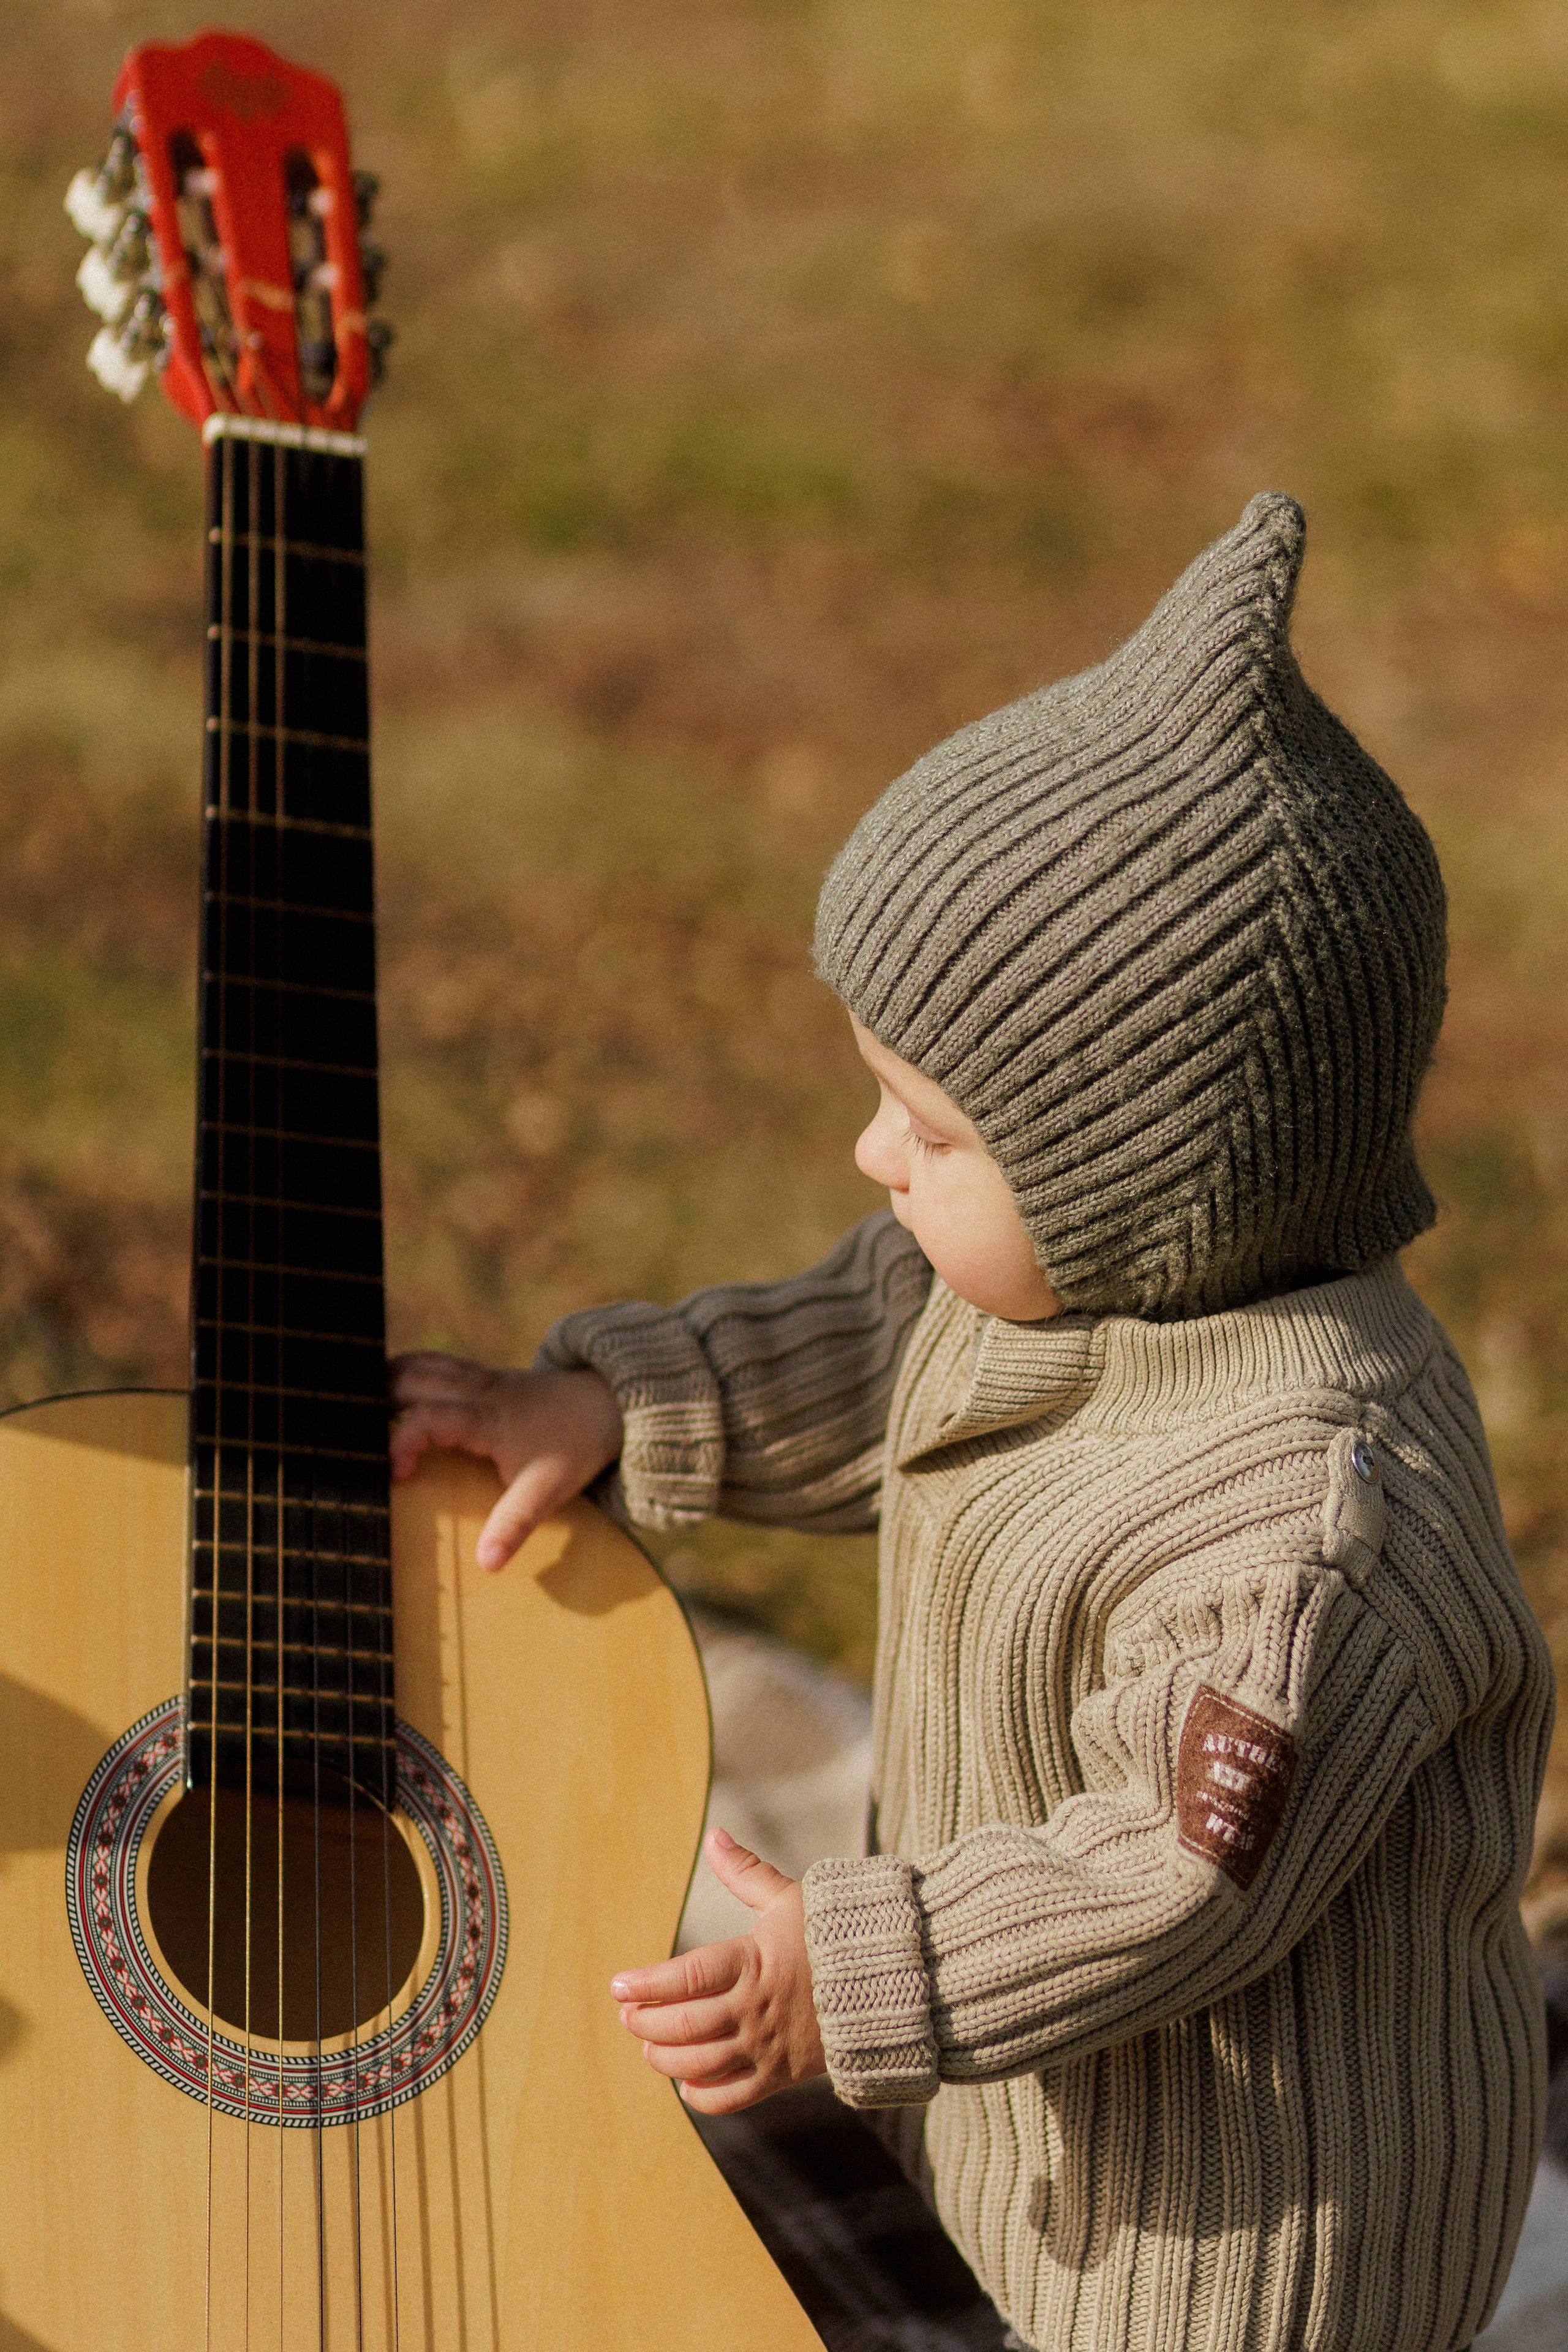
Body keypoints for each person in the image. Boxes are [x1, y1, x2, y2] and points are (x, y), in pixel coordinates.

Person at [390, 493, 1554, 2352]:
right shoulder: (1064, 1288)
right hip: (1029, 2128)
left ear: (1162, 1189)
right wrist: (615, 1401)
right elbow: (877, 1347)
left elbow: (1168, 1868)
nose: (874, 1153)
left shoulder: (1312, 1536)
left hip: (1236, 2242)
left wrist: (856, 1970)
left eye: (932, 1133)